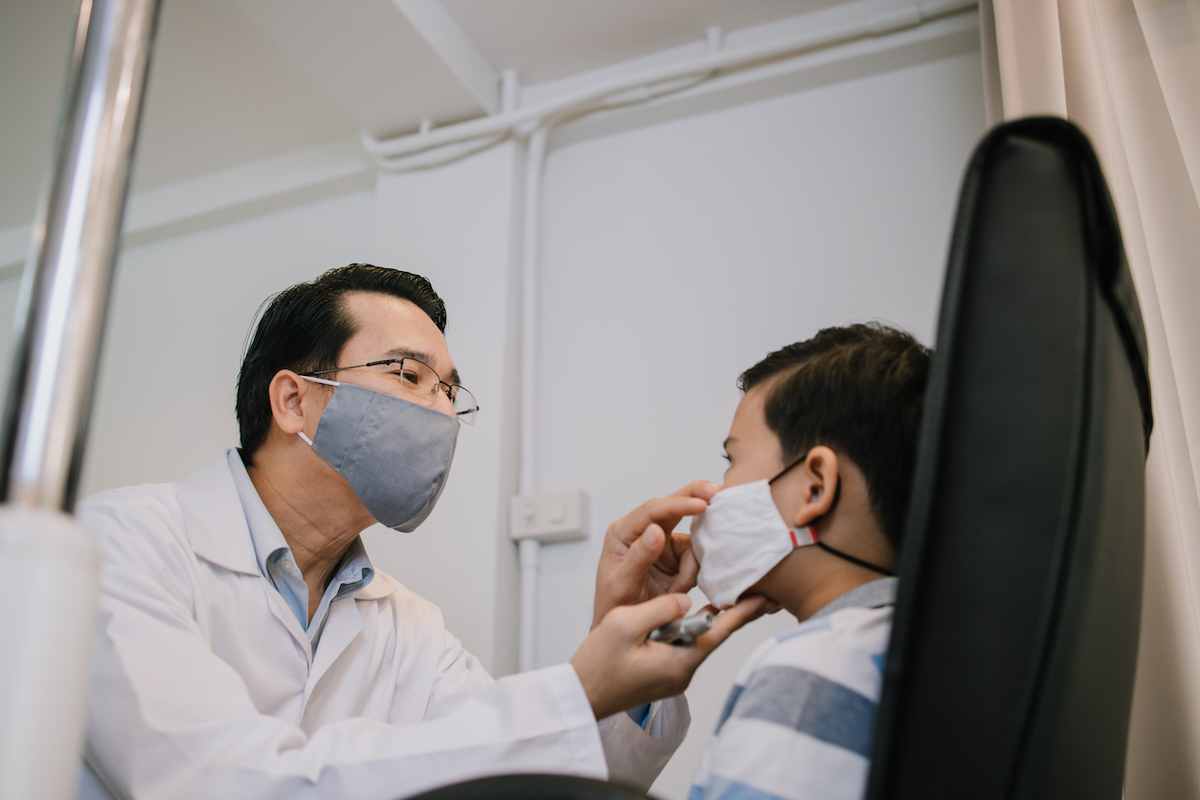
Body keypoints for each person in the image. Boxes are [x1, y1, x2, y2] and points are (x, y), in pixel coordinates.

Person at [77, 264, 766, 800]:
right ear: (293, 399)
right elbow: (226, 784)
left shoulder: (411, 628)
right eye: (411, 374)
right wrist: (575, 689)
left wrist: (629, 639)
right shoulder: (122, 545)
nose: (441, 412)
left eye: (449, 391)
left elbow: (530, 782)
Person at [686, 324, 930, 800]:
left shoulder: (815, 667)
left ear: (814, 486)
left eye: (732, 461)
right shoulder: (919, 648)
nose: (714, 492)